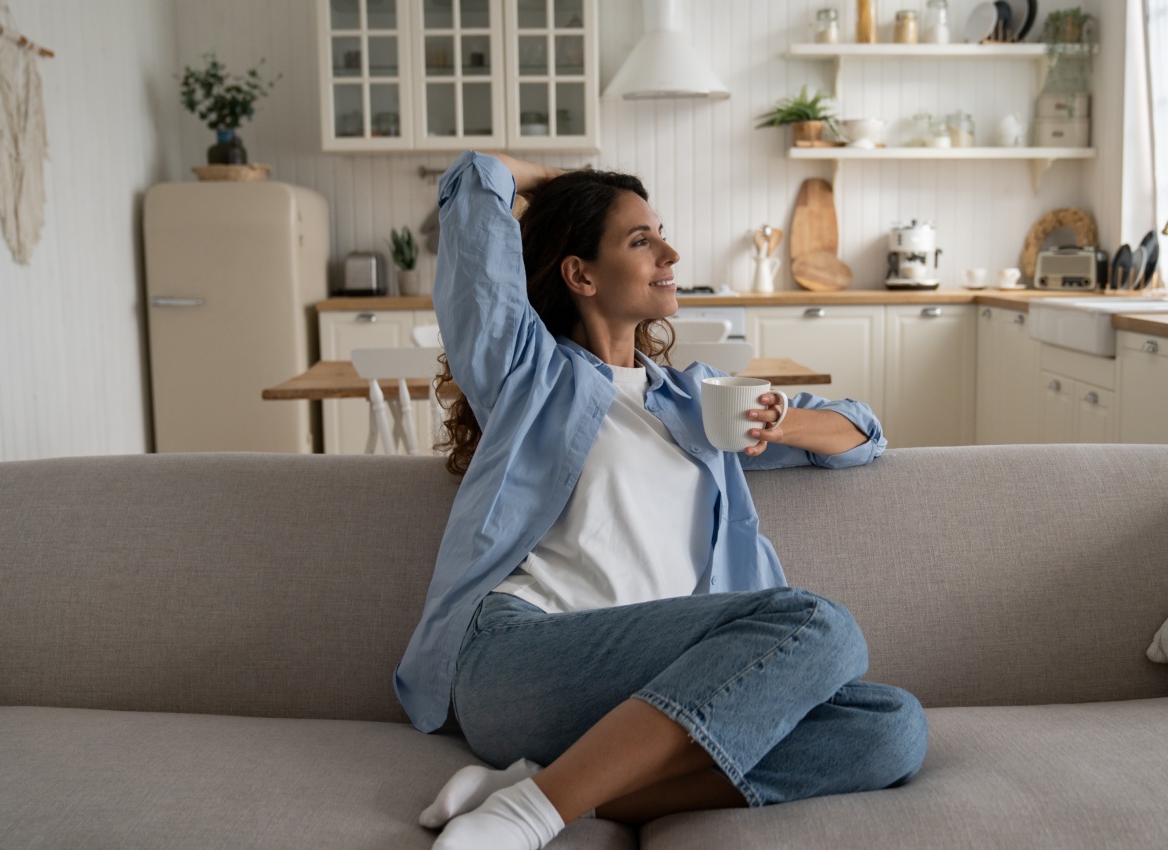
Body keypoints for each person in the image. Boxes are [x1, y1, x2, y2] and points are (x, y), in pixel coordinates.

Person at [394, 150, 928, 850]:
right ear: (580, 273)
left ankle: (546, 789)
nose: (671, 253)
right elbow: (475, 181)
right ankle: (525, 820)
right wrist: (569, 187)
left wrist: (778, 422)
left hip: (674, 681)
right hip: (527, 662)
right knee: (817, 623)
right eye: (641, 240)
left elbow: (863, 433)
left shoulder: (696, 401)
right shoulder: (526, 375)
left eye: (661, 233)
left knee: (892, 728)